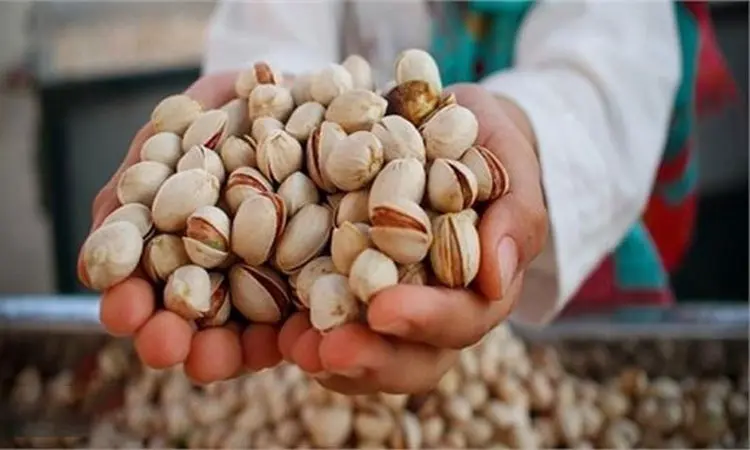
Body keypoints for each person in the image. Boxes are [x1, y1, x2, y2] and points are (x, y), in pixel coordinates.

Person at [82, 0, 736, 394]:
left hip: (576, 248)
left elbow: (615, 53)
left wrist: (527, 131)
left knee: (578, 383)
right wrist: (266, 89)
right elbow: (272, 31)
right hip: (317, 266)